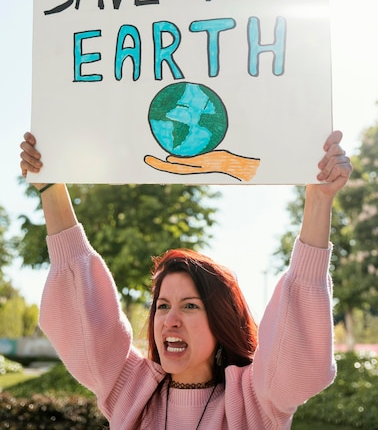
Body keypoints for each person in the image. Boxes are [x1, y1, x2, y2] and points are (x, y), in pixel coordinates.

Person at [20, 130, 352, 430]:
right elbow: (84, 303)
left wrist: (320, 201)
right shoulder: (130, 390)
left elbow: (295, 335)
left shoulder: (254, 402)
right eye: (162, 306)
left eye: (190, 305)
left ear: (221, 321)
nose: (170, 320)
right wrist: (50, 188)